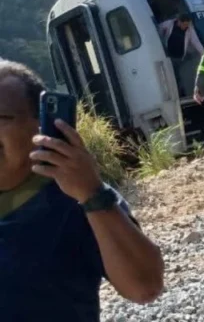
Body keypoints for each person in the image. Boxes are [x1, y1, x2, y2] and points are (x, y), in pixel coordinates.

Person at [0, 60, 164, 320]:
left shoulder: (74, 197)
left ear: (41, 124)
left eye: (1, 118)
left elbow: (144, 288)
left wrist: (92, 195)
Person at [157, 12, 204, 97]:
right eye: (184, 25)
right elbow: (158, 29)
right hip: (169, 57)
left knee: (179, 77)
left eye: (187, 25)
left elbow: (196, 42)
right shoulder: (169, 24)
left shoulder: (189, 29)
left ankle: (180, 93)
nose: (186, 27)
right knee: (170, 76)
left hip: (179, 58)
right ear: (179, 22)